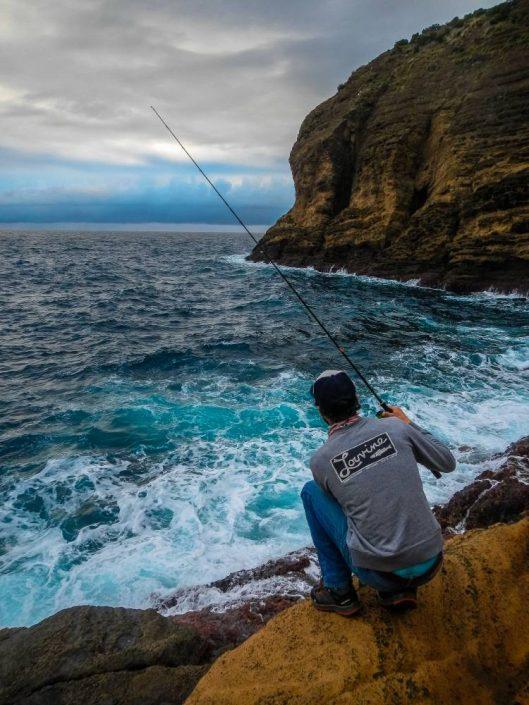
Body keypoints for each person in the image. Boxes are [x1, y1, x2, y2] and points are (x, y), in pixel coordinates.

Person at [302, 369, 456, 615]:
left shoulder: (321, 460)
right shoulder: (396, 429)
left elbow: (346, 506)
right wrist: (407, 423)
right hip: (431, 560)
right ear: (357, 401)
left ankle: (339, 590)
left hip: (378, 574)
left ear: (321, 412)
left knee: (311, 492)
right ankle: (398, 590)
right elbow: (447, 462)